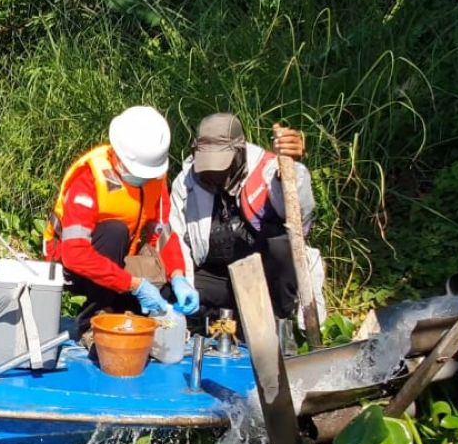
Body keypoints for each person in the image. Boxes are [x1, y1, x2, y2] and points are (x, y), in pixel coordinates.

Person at [43, 106, 198, 335]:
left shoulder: (155, 178)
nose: (145, 179)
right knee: (114, 231)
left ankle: (122, 309)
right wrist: (134, 284)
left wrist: (177, 276)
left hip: (121, 258)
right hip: (71, 263)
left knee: (162, 297)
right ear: (118, 156)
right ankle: (93, 320)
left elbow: (162, 233)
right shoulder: (88, 178)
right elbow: (75, 254)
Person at [168, 113, 323, 326]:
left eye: (221, 166)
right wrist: (182, 282)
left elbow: (300, 215)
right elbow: (176, 239)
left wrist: (290, 170)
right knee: (167, 290)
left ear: (239, 152)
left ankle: (282, 323)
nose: (214, 174)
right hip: (220, 279)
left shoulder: (269, 169)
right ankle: (211, 321)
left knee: (280, 243)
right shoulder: (186, 182)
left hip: (267, 283)